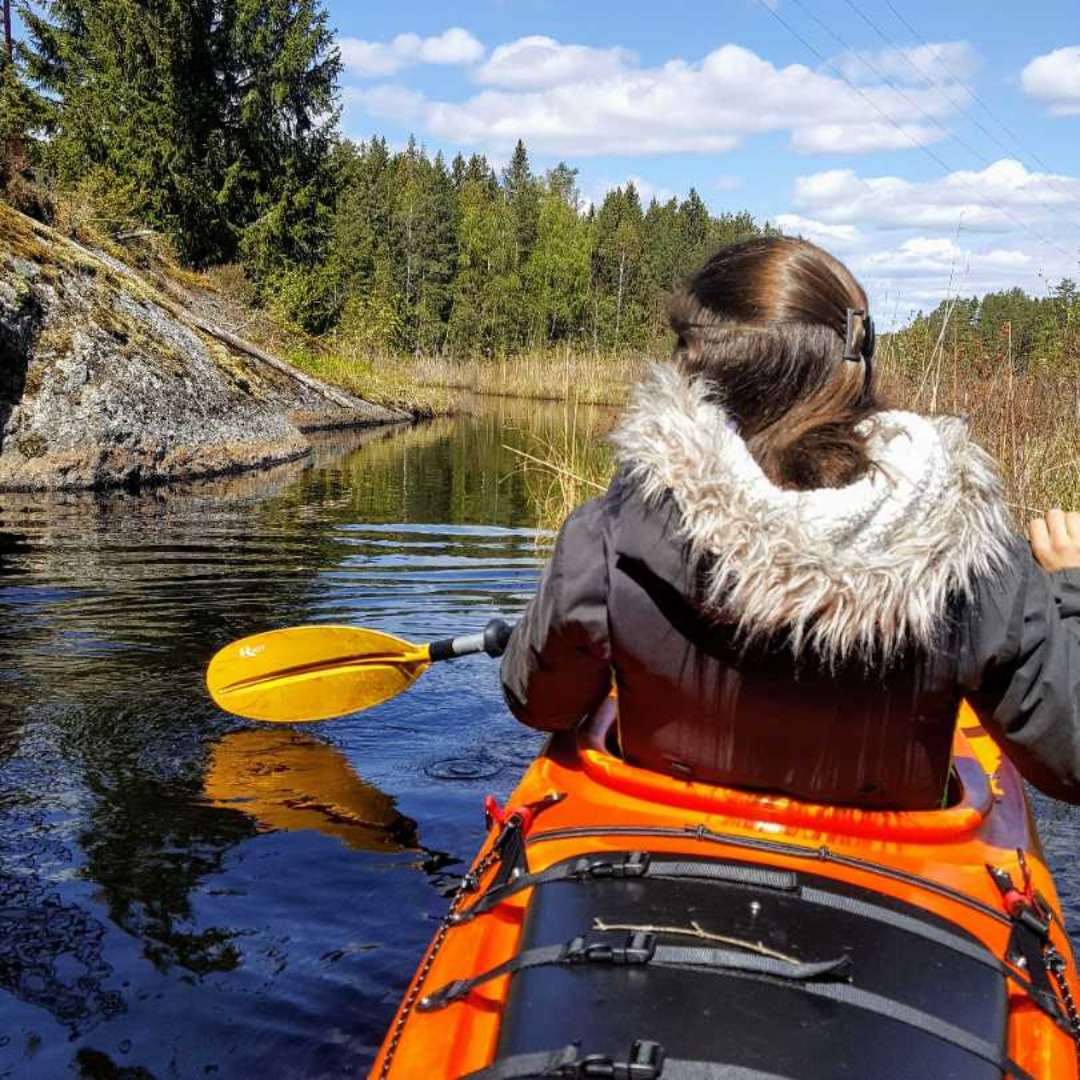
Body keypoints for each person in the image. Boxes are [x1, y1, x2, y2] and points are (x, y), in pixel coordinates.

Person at [500, 235, 1080, 811]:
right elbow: (1071, 763)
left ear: (691, 370)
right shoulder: (973, 557)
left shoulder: (611, 533)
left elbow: (539, 705)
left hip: (652, 849)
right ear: (857, 365)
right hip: (890, 862)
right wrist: (1069, 590)